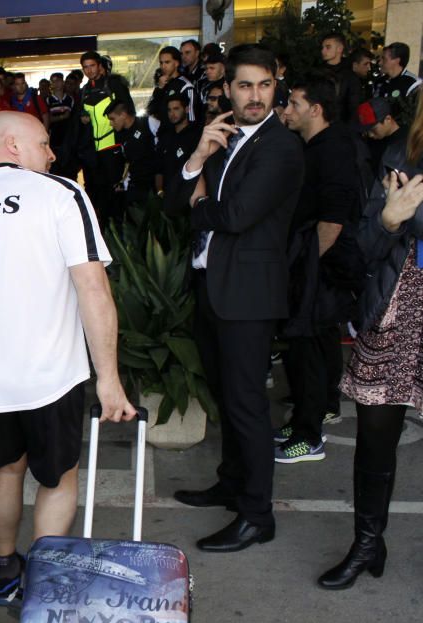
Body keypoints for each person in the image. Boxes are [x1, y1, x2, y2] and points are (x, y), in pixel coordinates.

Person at [0, 110, 135, 606]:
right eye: (45, 143)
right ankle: (45, 580)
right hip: (50, 374)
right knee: (58, 477)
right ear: (12, 144)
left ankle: (5, 568)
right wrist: (109, 380)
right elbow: (92, 286)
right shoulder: (60, 194)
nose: (52, 154)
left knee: (7, 469)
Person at [169, 44, 305, 552]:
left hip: (248, 296)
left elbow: (234, 216)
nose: (254, 95)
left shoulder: (280, 147)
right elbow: (171, 202)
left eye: (264, 85)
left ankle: (257, 515)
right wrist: (199, 156)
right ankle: (231, 483)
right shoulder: (223, 140)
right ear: (227, 88)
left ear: (277, 86)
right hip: (213, 288)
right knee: (228, 398)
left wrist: (202, 201)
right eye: (244, 85)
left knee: (247, 404)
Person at [317, 93, 423, 590]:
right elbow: (365, 243)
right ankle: (367, 543)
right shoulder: (403, 154)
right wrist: (389, 219)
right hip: (403, 303)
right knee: (375, 435)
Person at [278, 76, 366, 463]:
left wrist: (305, 266)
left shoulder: (332, 149)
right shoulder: (315, 146)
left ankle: (308, 435)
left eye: (295, 103)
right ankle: (311, 413)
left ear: (316, 109)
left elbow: (332, 220)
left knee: (307, 349)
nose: (287, 110)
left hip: (322, 267)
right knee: (316, 344)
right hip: (316, 264)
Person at [70, 50, 134, 223]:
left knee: (115, 193)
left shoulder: (113, 85)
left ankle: (118, 229)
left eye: (92, 66)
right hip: (93, 151)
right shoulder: (84, 91)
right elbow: (78, 120)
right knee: (95, 193)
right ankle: (103, 229)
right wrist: (82, 119)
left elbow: (128, 111)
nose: (89, 70)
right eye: (85, 67)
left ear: (99, 66)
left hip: (112, 146)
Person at [106, 100, 159, 207]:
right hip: (135, 188)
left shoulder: (148, 123)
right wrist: (123, 184)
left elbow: (164, 148)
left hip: (154, 186)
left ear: (124, 115)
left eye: (113, 119)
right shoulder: (119, 135)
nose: (111, 124)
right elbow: (127, 163)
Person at [157, 94, 203, 215]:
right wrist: (159, 191)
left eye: (176, 109)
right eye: (169, 110)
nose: (172, 113)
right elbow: (159, 167)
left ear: (187, 109)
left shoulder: (197, 134)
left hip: (189, 199)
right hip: (168, 199)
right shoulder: (165, 136)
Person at [147, 46, 200, 129]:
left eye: (167, 62)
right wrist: (159, 88)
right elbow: (151, 109)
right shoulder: (162, 84)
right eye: (161, 63)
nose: (163, 66)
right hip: (163, 135)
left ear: (176, 63)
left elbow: (192, 118)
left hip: (180, 136)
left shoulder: (185, 86)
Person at [320, 32, 364, 124]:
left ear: (339, 49)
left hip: (341, 128)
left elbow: (354, 108)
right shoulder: (317, 73)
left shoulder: (350, 77)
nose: (323, 51)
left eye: (328, 47)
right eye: (322, 47)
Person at [357, 98, 406, 174]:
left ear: (388, 119)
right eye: (367, 130)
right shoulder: (370, 142)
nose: (370, 134)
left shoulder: (408, 140)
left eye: (373, 129)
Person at [378, 42, 422, 126]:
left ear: (397, 60)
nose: (380, 62)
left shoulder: (414, 84)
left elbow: (416, 118)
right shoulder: (379, 82)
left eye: (384, 59)